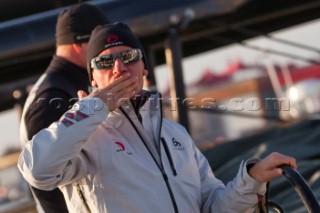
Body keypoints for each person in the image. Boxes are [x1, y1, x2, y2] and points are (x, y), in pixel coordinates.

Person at [18, 22, 297, 213]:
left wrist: (252, 179)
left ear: (144, 68)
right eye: (104, 62)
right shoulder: (82, 140)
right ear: (93, 77)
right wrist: (95, 106)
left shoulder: (175, 135)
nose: (118, 67)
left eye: (128, 56)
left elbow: (212, 206)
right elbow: (36, 169)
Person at [19, 3, 109, 213]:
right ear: (79, 45)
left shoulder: (60, 85)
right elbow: (45, 178)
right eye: (100, 44)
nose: (107, 52)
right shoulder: (52, 97)